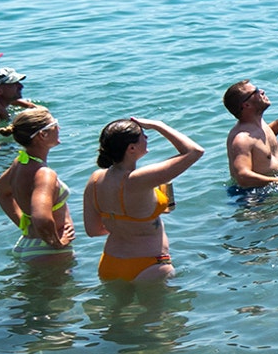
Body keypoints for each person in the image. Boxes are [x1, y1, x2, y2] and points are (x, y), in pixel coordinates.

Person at [82, 118, 203, 282]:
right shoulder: (138, 179)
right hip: (148, 265)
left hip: (110, 263)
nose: (147, 138)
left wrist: (126, 226)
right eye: (143, 135)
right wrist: (158, 125)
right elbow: (194, 151)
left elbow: (93, 230)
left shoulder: (95, 179)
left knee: (115, 308)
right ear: (131, 148)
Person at [0, 107, 74, 259]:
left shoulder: (20, 163)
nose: (59, 128)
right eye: (55, 124)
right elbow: (41, 217)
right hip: (47, 250)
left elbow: (0, 191)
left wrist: (23, 224)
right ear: (43, 134)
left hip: (28, 242)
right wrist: (58, 243)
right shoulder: (44, 174)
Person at [223, 81, 278, 192]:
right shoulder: (242, 139)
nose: (262, 91)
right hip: (253, 197)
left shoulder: (258, 125)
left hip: (270, 187)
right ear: (246, 105)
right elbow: (242, 176)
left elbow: (264, 139)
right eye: (256, 91)